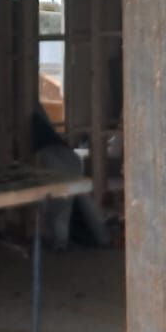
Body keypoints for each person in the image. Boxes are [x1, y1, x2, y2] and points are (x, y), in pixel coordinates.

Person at [31, 106, 111, 250]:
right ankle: (103, 237)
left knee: (61, 205)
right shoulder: (44, 130)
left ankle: (60, 243)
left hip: (55, 160)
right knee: (82, 199)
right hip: (70, 158)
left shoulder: (37, 136)